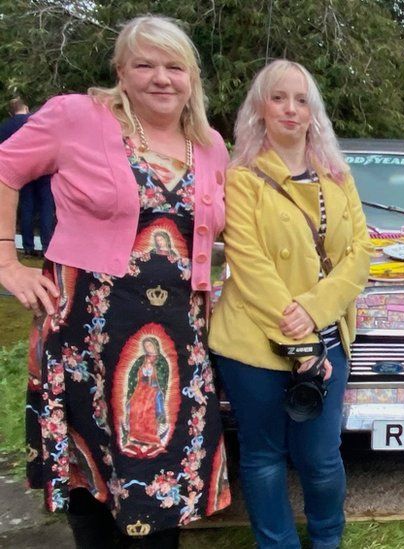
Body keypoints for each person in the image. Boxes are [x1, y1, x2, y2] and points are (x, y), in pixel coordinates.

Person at [0, 15, 231, 548]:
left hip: (177, 340)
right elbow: (6, 169)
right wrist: (8, 263)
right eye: (144, 64)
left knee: (160, 492)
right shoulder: (77, 117)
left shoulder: (209, 145)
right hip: (85, 336)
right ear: (121, 73)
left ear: (191, 77)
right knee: (93, 487)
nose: (161, 78)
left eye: (174, 66)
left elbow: (223, 234)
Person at [208, 59, 371, 549]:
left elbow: (361, 253)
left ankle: (327, 540)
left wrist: (317, 312)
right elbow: (250, 266)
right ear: (260, 107)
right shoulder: (240, 177)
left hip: (325, 340)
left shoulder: (338, 176)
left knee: (321, 458)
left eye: (302, 100)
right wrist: (300, 338)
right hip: (254, 343)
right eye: (279, 97)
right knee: (263, 456)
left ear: (313, 113)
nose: (290, 109)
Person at [0, 98, 54, 256]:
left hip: (20, 171)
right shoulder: (38, 120)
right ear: (26, 107)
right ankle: (47, 246)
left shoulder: (4, 127)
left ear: (11, 112)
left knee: (26, 208)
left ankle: (28, 246)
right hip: (43, 168)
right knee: (46, 207)